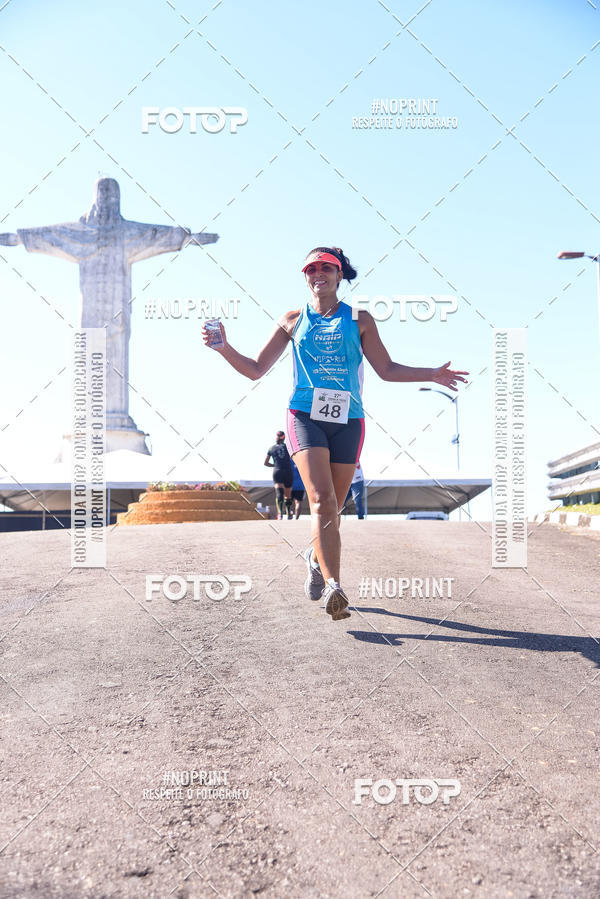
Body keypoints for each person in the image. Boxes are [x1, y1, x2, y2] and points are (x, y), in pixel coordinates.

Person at [202, 246, 468, 622]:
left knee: (334, 510)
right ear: (305, 276)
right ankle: (334, 587)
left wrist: (432, 373)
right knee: (322, 500)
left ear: (340, 274)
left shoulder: (359, 319)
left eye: (327, 267)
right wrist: (223, 347)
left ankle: (315, 558)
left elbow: (387, 369)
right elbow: (256, 369)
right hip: (305, 416)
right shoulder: (292, 319)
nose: (318, 273)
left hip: (348, 421)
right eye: (311, 268)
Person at [264, 431, 293, 520]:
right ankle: (288, 513)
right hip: (288, 471)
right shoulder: (288, 447)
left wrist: (275, 465)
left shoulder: (271, 448)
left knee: (279, 492)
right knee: (287, 494)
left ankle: (280, 514)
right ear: (284, 438)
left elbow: (265, 463)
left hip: (277, 471)